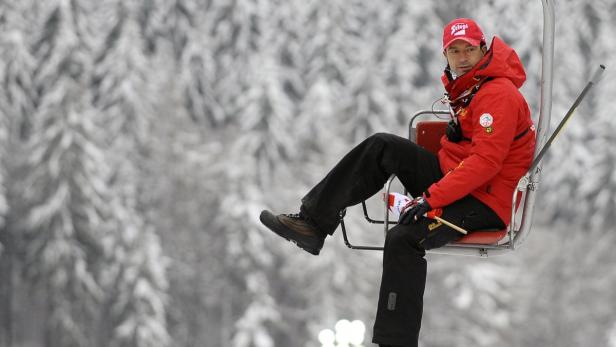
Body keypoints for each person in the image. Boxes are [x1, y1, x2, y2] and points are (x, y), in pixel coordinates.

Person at [260, 18, 535, 347]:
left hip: (483, 202)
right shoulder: (472, 89)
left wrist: (429, 198)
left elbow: (487, 162)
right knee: (382, 146)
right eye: (454, 51)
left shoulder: (497, 94)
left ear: (483, 50)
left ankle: (395, 341)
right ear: (445, 55)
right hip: (457, 182)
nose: (462, 58)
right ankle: (314, 222)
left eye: (469, 50)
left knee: (404, 237)